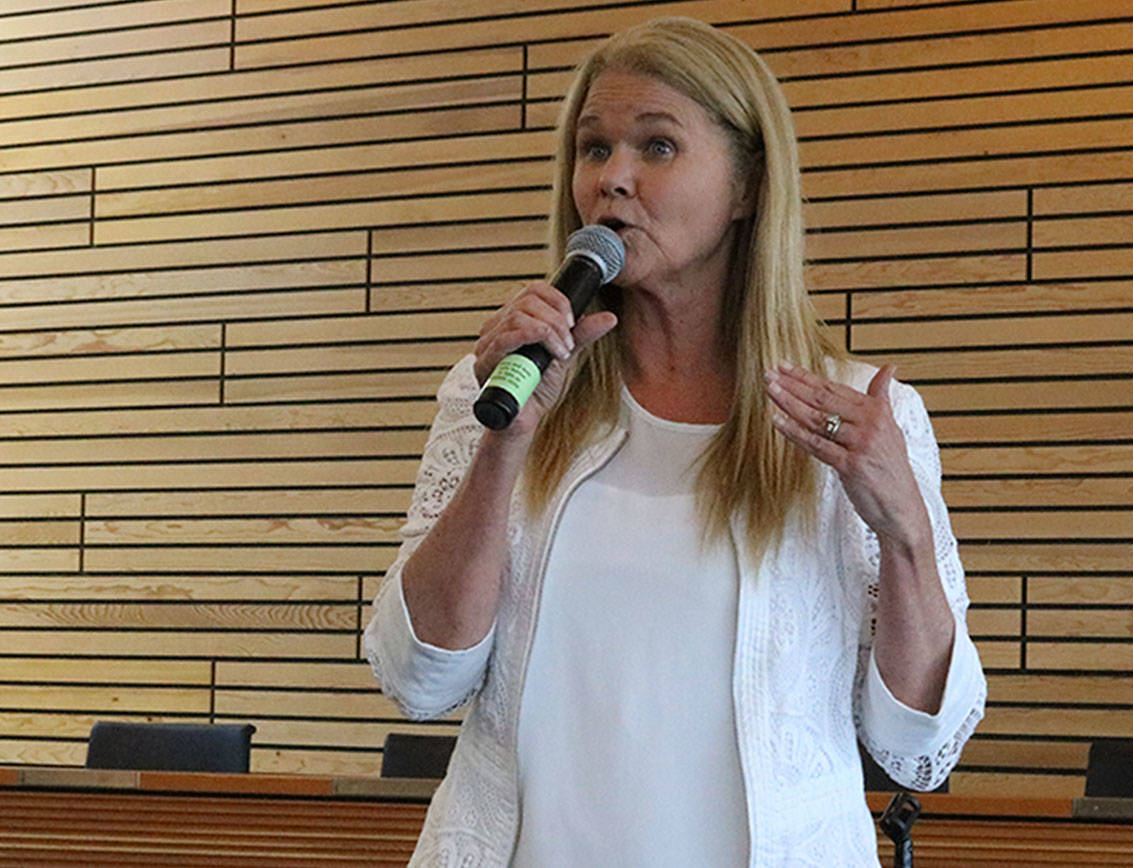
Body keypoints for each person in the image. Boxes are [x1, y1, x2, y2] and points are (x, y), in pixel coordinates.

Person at [364, 16, 985, 868]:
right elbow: (419, 677)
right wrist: (505, 446)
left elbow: (919, 743)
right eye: (594, 149)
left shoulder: (860, 418)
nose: (613, 180)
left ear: (747, 187)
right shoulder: (502, 386)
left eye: (657, 148)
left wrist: (904, 528)